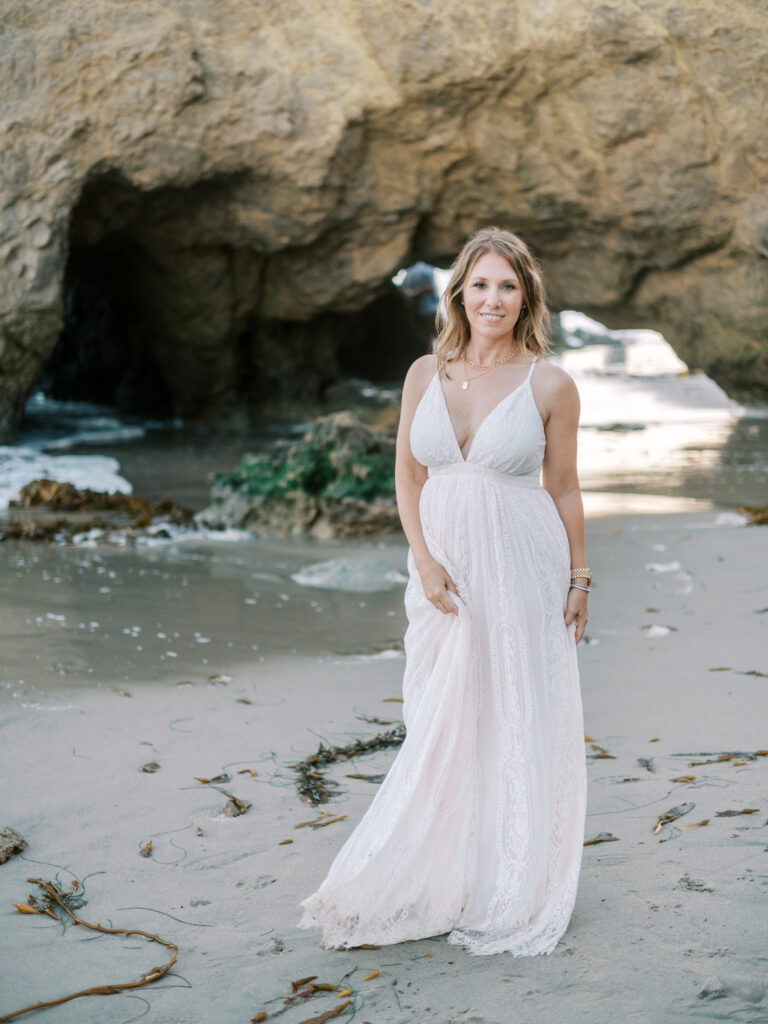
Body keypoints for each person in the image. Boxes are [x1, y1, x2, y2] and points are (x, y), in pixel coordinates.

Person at [299, 226, 588, 957]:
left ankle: (509, 870)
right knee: (439, 714)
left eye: (508, 286)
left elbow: (562, 486)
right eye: (481, 284)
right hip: (442, 569)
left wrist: (580, 575)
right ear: (459, 289)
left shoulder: (549, 383)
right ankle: (443, 862)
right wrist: (423, 563)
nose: (493, 299)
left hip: (522, 563)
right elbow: (408, 474)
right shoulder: (425, 372)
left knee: (510, 706)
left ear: (527, 297)